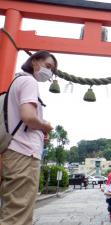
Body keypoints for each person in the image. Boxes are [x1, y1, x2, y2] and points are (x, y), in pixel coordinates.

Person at [0, 51, 56, 225]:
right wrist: (45, 126)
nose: (49, 72)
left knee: (14, 209)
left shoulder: (17, 82)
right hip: (23, 153)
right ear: (35, 61)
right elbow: (29, 117)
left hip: (14, 150)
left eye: (52, 70)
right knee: (18, 215)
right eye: (48, 66)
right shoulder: (29, 81)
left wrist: (39, 132)